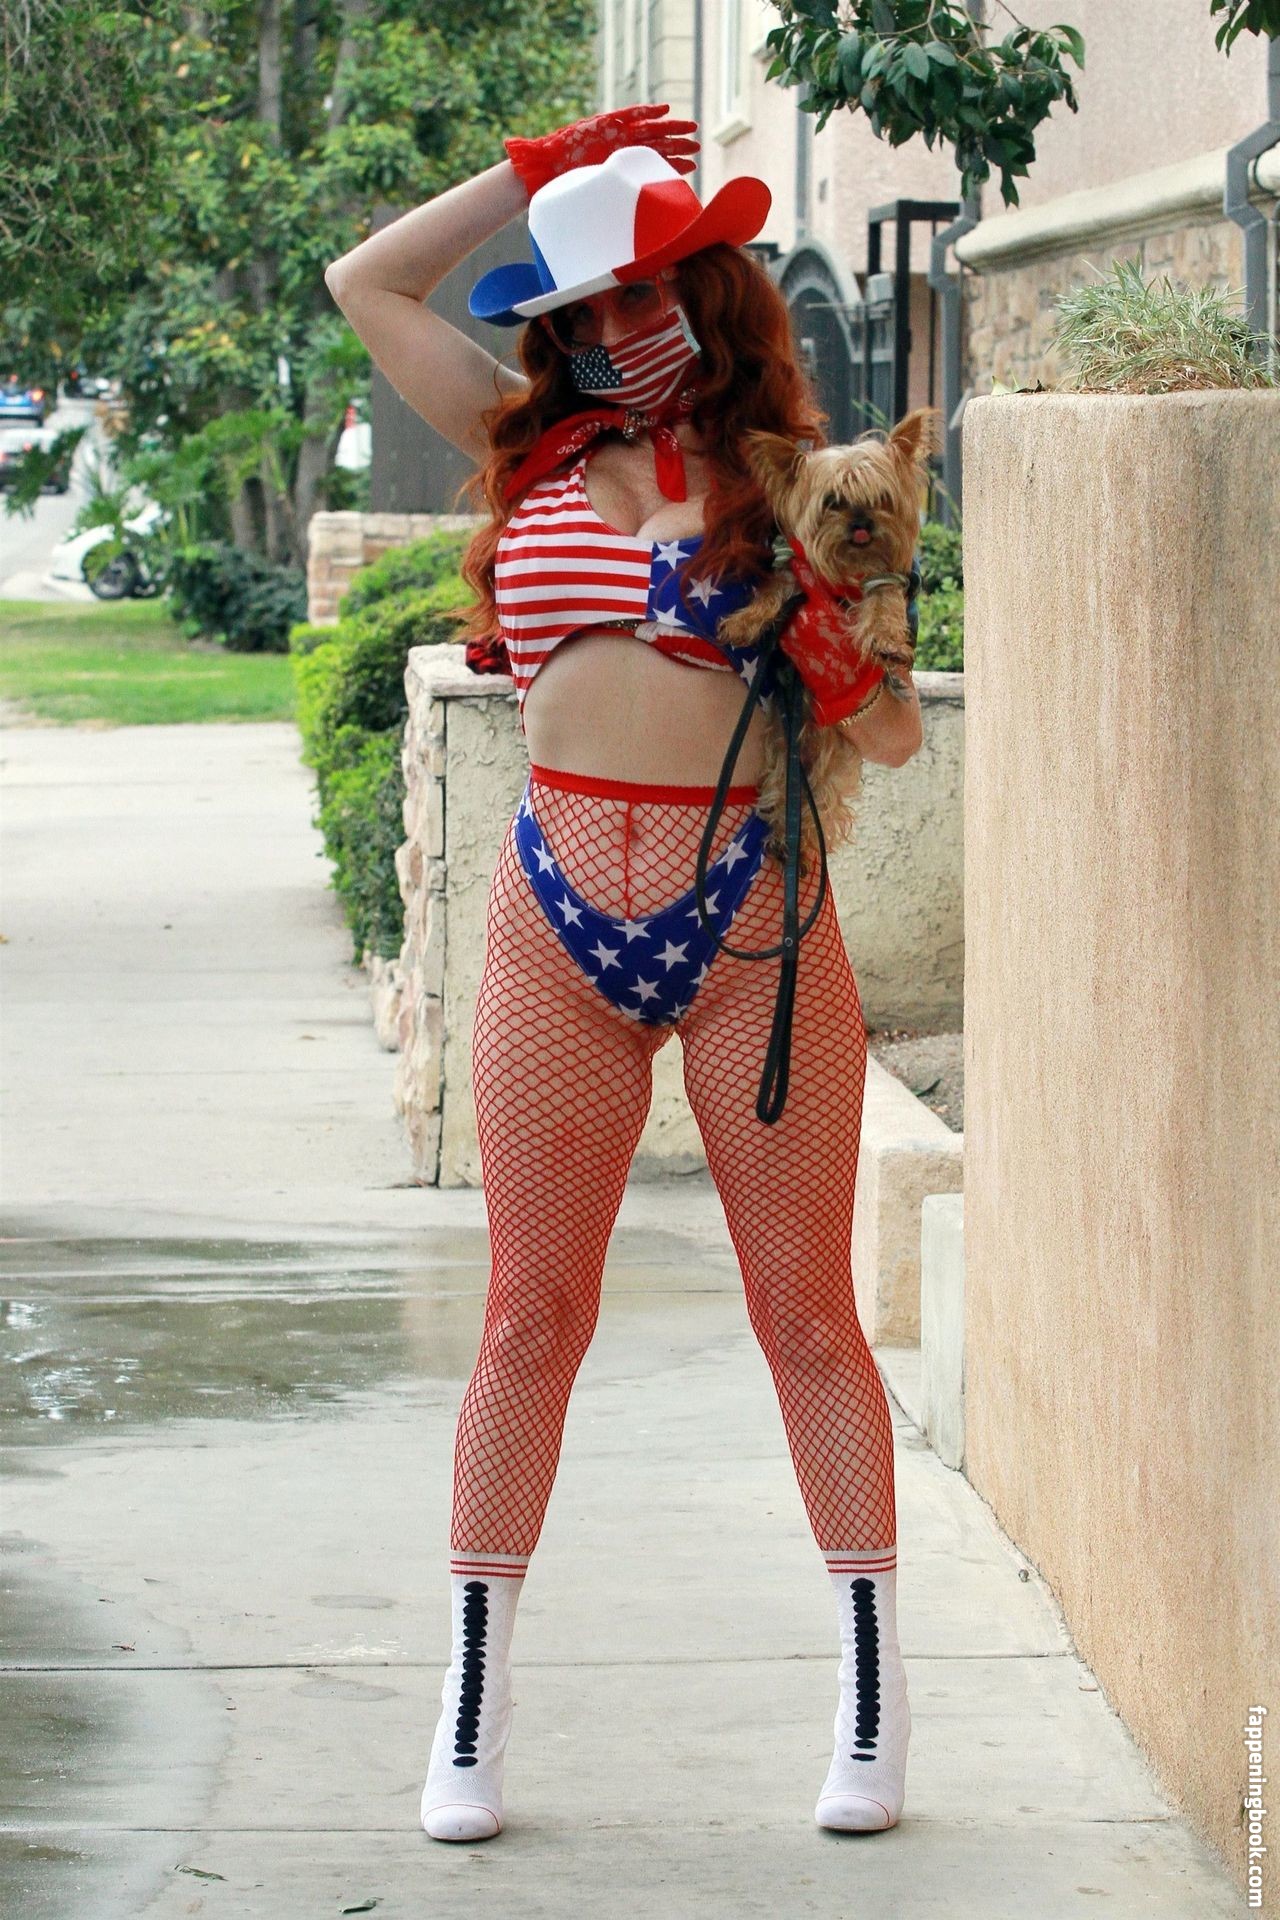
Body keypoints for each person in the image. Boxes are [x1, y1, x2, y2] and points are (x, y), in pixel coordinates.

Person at [324, 104, 925, 1846]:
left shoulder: (793, 477)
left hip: (755, 923)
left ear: (710, 294)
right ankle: (472, 1704)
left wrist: (830, 657)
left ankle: (873, 1694)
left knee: (807, 1312)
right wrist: (532, 177)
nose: (618, 324)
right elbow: (367, 282)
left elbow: (895, 737)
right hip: (558, 917)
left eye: (649, 288)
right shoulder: (519, 449)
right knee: (530, 1316)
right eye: (587, 301)